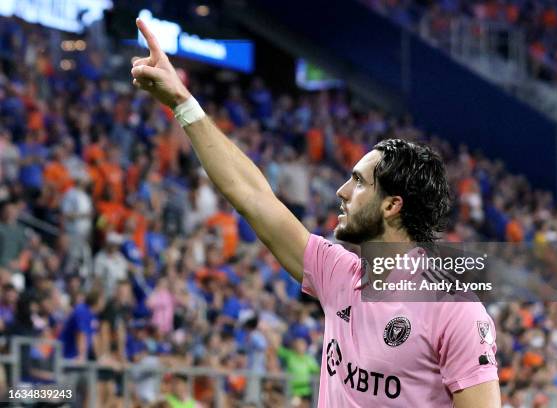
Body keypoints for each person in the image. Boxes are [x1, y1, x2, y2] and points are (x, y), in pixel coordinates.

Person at [131, 18, 501, 407]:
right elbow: (253, 196)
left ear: (393, 206)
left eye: (359, 183)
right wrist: (183, 104)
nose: (342, 192)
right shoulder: (337, 273)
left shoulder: (453, 310)